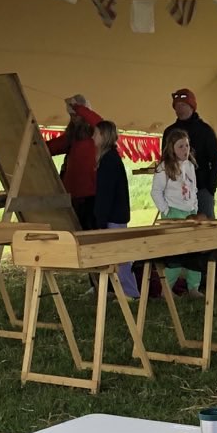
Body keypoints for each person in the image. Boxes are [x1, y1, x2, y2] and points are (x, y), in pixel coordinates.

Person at [151, 130, 202, 293]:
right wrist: (166, 210)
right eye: (180, 146)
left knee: (195, 250)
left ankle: (193, 287)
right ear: (171, 148)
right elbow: (156, 192)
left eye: (187, 145)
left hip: (190, 212)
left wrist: (195, 207)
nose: (185, 150)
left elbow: (193, 188)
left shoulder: (190, 165)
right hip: (174, 213)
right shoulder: (164, 168)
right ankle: (167, 289)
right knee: (175, 254)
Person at [161, 87, 217, 218]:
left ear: (192, 106)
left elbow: (216, 161)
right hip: (177, 191)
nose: (179, 108)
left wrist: (210, 189)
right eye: (177, 106)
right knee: (179, 230)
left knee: (206, 228)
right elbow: (165, 161)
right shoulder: (169, 132)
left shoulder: (205, 131)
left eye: (183, 105)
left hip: (202, 188)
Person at [93, 120, 137, 299]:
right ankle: (121, 290)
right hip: (115, 215)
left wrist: (100, 219)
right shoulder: (109, 158)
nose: (93, 137)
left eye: (96, 133)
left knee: (120, 256)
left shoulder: (109, 160)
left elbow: (106, 193)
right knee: (118, 255)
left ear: (104, 136)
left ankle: (130, 292)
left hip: (113, 216)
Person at [47, 94, 102, 229]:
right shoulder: (71, 138)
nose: (74, 119)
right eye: (72, 116)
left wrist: (78, 108)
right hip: (72, 197)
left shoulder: (98, 135)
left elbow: (99, 122)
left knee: (90, 234)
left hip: (92, 196)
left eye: (77, 116)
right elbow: (47, 148)